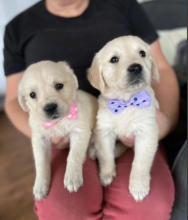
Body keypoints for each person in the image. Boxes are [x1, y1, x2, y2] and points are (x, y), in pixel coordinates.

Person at [4, 0, 179, 219]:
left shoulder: (124, 5)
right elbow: (14, 99)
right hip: (62, 130)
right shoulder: (16, 28)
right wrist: (46, 133)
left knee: (148, 205)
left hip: (135, 118)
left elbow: (159, 66)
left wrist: (167, 120)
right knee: (64, 210)